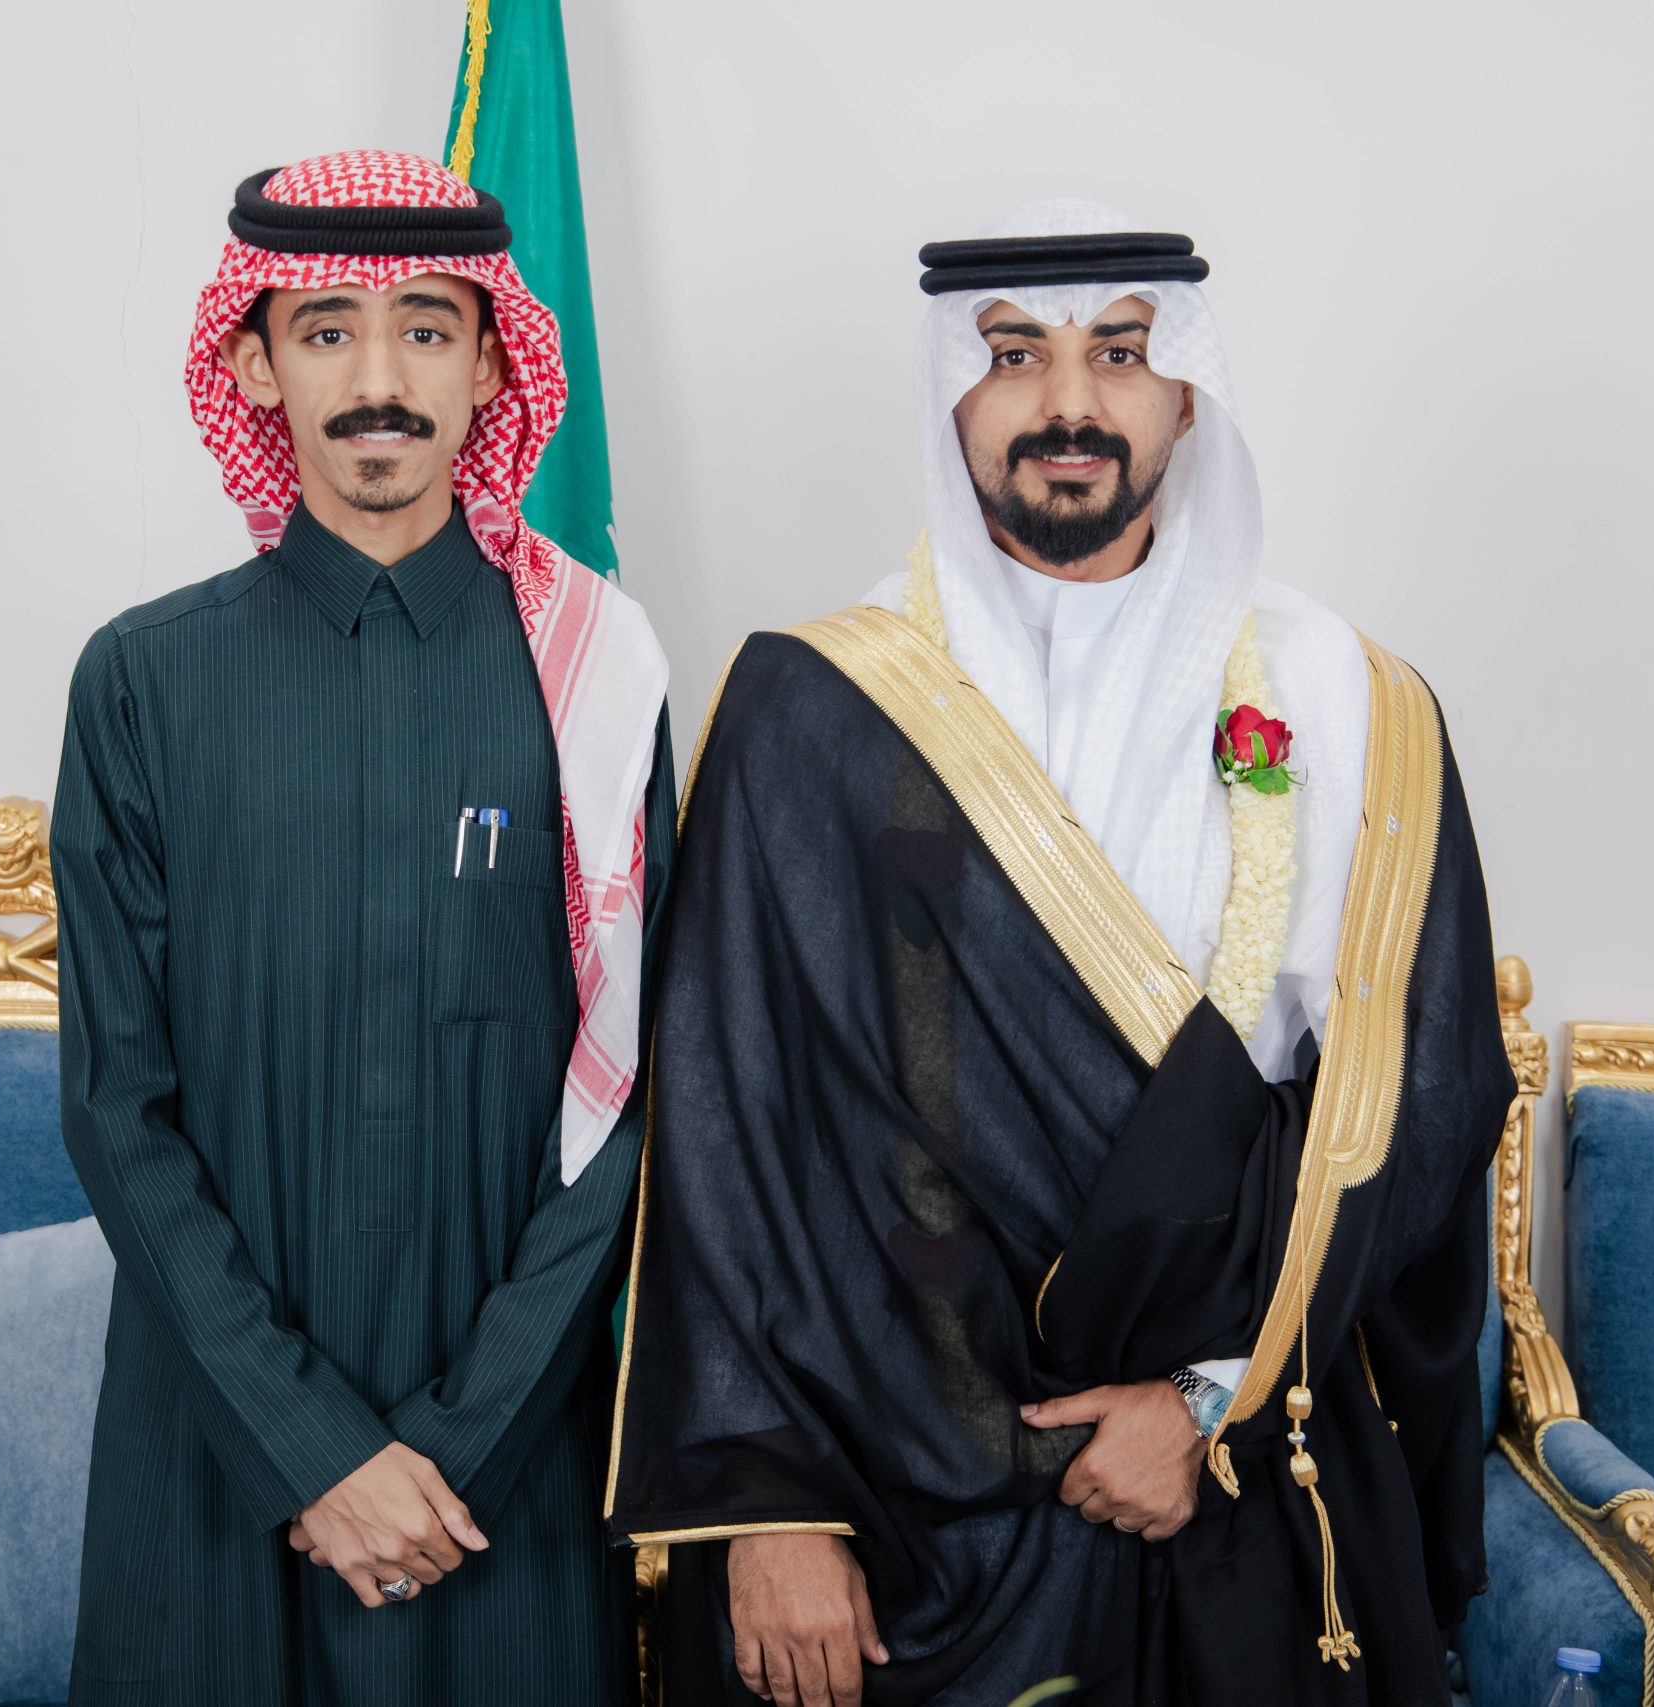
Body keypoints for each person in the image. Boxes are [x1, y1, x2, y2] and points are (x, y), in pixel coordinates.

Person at [606, 201, 1516, 1706]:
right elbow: (729, 1133)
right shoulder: (811, 708)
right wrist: (772, 1508)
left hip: (1220, 1462)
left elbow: (1412, 1106)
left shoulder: (1350, 700)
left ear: (1187, 396)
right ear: (951, 396)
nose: (1070, 404)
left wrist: (1205, 1399)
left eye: (1123, 354)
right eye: (1015, 355)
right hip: (886, 1501)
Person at [54, 149, 670, 1704]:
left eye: (426, 329)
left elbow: (634, 1100)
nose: (378, 380)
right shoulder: (142, 681)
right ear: (255, 363)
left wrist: (456, 1443)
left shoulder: (595, 683)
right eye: (327, 330)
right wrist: (312, 1450)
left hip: (505, 1465)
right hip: (216, 1447)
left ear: (491, 367)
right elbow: (116, 1108)